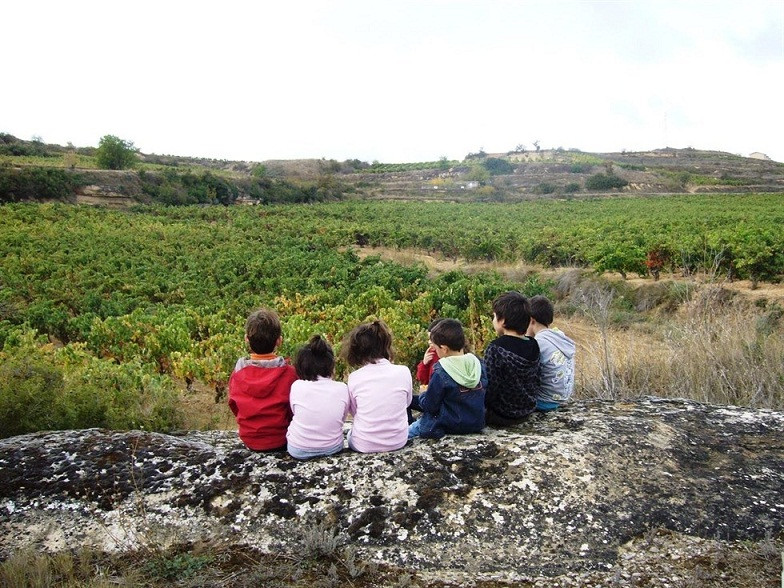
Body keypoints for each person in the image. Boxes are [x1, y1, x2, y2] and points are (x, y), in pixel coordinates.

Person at [228, 308, 298, 451]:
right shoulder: (290, 374)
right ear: (279, 341)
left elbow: (234, 406)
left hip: (249, 440)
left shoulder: (237, 374)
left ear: (246, 339)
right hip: (281, 439)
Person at [341, 320, 412, 453]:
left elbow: (355, 412)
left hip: (364, 445)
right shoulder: (403, 371)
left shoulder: (355, 377)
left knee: (350, 434)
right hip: (398, 441)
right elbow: (406, 403)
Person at [408, 319, 486, 439]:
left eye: (436, 348)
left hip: (449, 425)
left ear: (444, 348)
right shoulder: (477, 363)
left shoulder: (442, 370)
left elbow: (431, 406)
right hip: (475, 423)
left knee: (408, 431)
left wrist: (423, 395)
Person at [286, 335, 350, 460]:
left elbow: (295, 412)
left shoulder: (297, 386)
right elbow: (342, 418)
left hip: (297, 449)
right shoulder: (342, 388)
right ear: (331, 365)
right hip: (333, 447)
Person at [483, 291, 541, 426]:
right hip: (527, 410)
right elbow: (537, 379)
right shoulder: (533, 344)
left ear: (502, 321)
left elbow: (490, 387)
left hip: (502, 415)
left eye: (494, 316)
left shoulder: (495, 348)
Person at [527, 295, 576, 411]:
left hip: (544, 402)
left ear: (531, 320)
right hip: (563, 399)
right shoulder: (559, 338)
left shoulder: (539, 343)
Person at [416, 318, 445, 386]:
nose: (429, 342)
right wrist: (424, 363)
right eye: (428, 339)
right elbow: (422, 379)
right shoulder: (431, 353)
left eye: (431, 339)